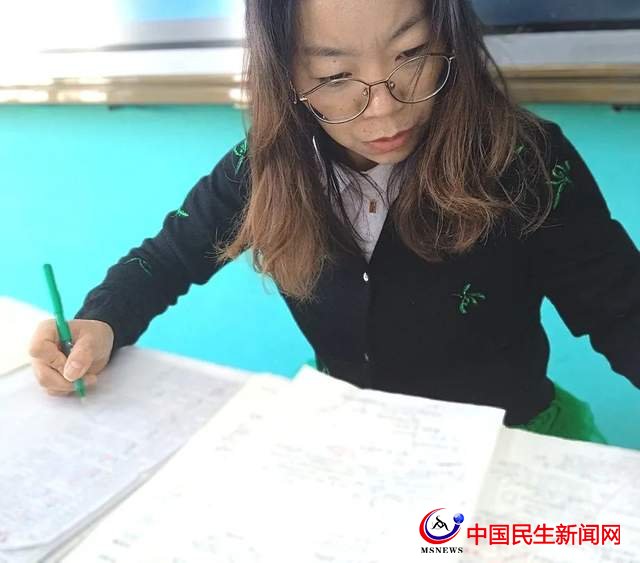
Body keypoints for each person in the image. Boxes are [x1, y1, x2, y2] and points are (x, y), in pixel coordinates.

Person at [29, 0, 639, 443]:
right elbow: (165, 259)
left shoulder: (524, 158)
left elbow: (622, 309)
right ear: (285, 72)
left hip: (506, 443)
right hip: (350, 441)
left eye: (412, 54)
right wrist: (101, 320)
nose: (385, 109)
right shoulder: (266, 164)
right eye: (334, 77)